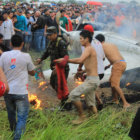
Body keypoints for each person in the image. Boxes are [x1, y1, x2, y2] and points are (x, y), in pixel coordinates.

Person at [56, 30, 99, 124]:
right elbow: (91, 64)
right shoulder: (89, 49)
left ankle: (82, 117)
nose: (80, 41)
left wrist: (65, 60)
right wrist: (82, 71)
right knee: (91, 103)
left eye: (81, 39)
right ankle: (96, 121)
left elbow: (80, 60)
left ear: (87, 39)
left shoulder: (89, 48)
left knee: (73, 95)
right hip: (92, 79)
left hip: (92, 80)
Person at [0, 34, 35, 140]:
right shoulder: (26, 56)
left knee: (11, 114)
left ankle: (13, 133)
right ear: (22, 44)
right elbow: (33, 72)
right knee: (22, 117)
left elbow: (1, 70)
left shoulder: (4, 55)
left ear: (10, 44)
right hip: (21, 92)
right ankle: (17, 137)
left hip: (8, 91)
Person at [37, 26, 70, 110]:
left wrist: (58, 68)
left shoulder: (61, 43)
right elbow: (47, 52)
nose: (49, 37)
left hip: (62, 69)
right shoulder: (51, 42)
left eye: (50, 35)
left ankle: (65, 105)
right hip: (55, 69)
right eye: (48, 35)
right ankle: (65, 100)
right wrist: (41, 58)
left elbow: (65, 57)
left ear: (55, 34)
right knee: (53, 83)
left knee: (61, 86)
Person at [95, 34, 130, 109]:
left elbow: (102, 58)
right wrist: (108, 65)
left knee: (115, 85)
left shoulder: (100, 46)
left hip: (118, 65)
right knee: (111, 81)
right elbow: (115, 55)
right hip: (122, 62)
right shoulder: (112, 45)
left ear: (98, 41)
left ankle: (125, 103)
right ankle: (115, 99)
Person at [78, 25, 105, 109]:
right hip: (101, 71)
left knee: (88, 89)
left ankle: (94, 108)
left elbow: (83, 58)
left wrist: (79, 68)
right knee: (91, 88)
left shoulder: (86, 44)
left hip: (94, 72)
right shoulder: (98, 41)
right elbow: (103, 58)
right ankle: (99, 103)